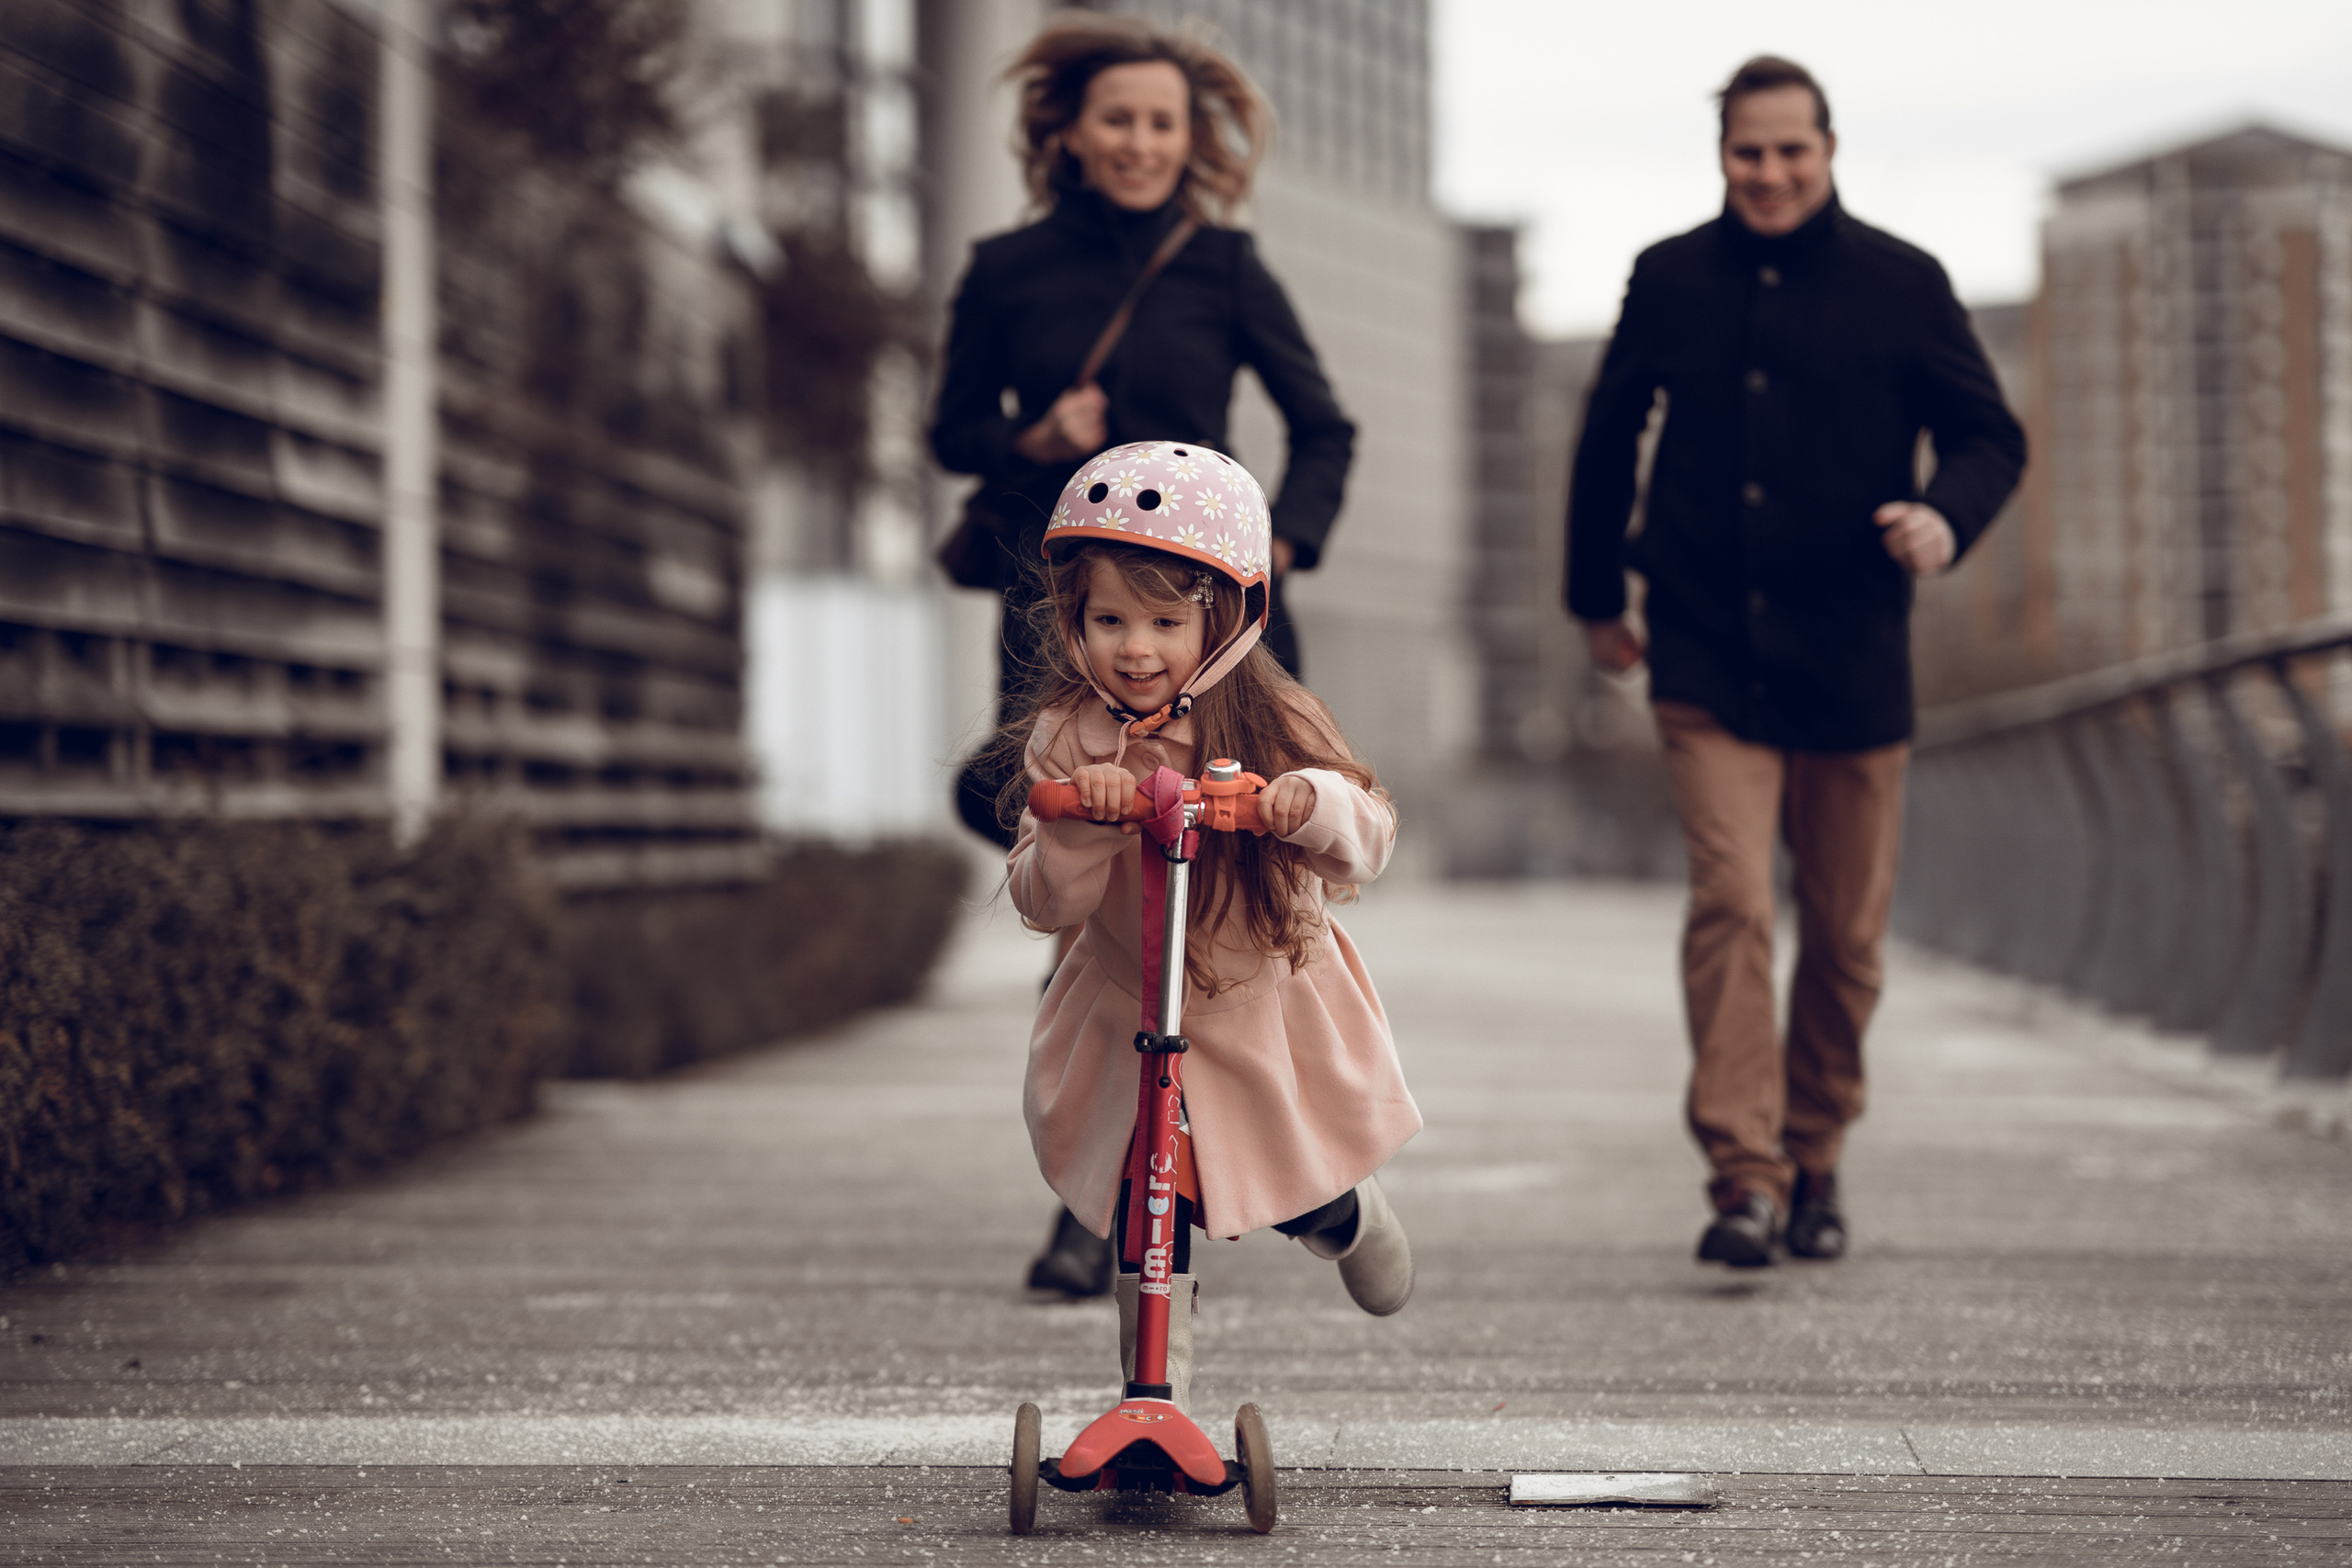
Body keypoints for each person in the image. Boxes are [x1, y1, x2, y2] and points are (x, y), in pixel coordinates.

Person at [1564, 56, 2026, 1269]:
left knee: (1848, 933)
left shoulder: (1904, 282)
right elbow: (1608, 437)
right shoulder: (1669, 276)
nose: (1768, 174)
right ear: (1722, 155)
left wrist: (1945, 517)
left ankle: (1817, 1147)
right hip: (1706, 644)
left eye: (1790, 152)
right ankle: (1745, 1173)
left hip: (1854, 652)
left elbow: (1991, 432)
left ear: (1828, 150)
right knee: (1731, 898)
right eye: (1746, 152)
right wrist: (1596, 597)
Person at [929, 16, 1355, 1295]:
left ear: (1191, 139)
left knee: (1231, 873)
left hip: (1212, 629)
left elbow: (1325, 424)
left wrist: (1286, 548)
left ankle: (1259, 1133)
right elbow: (950, 428)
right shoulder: (1006, 268)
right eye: (1118, 119)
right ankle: (1097, 1191)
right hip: (1073, 618)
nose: (1140, 143)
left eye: (1164, 123)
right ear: (1069, 131)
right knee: (1085, 869)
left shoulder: (1222, 264)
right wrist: (1031, 431)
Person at [1001, 440, 1418, 1405]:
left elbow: (1371, 833)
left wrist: (1299, 803)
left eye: (1162, 619)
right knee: (1148, 1203)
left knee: (1293, 1183)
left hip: (1253, 1003)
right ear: (1072, 617)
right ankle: (1155, 1399)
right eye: (1107, 618)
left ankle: (1348, 1216)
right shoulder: (1067, 735)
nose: (1133, 647)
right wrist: (1084, 824)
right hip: (1128, 1008)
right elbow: (1038, 900)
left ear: (1224, 620)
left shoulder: (1271, 719)